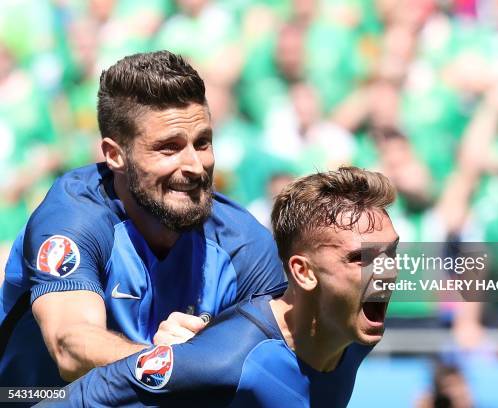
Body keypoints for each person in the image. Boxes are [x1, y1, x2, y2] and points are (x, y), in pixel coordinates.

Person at [0, 51, 285, 387]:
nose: (195, 165)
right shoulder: (73, 219)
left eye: (203, 142)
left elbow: (280, 364)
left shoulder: (244, 243)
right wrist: (169, 360)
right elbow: (70, 347)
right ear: (115, 155)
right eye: (169, 147)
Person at [40, 167, 400, 407]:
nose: (385, 271)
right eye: (359, 259)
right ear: (304, 273)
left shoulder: (352, 332)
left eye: (391, 252)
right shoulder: (225, 359)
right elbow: (79, 397)